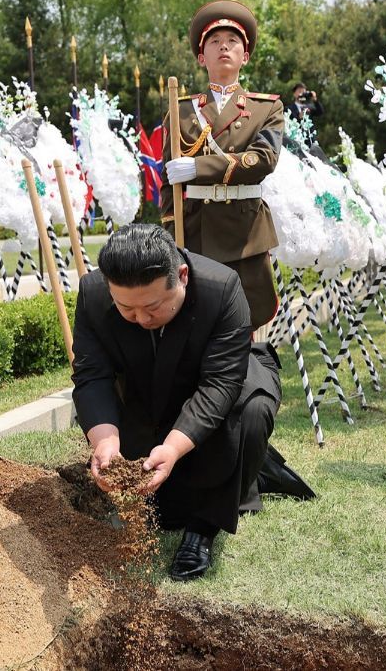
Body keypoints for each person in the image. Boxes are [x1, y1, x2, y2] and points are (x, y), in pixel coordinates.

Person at [72, 224, 314, 582]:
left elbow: (220, 384)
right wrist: (106, 441)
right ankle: (252, 470)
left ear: (182, 277)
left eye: (152, 307)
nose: (140, 319)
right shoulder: (93, 293)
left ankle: (203, 529)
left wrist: (171, 447)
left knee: (251, 410)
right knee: (166, 506)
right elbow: (91, 376)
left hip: (227, 380)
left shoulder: (222, 288)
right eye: (126, 309)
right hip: (148, 389)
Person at [159, 0, 284, 331]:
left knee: (249, 322)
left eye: (232, 41)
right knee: (200, 323)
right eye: (214, 42)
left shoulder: (266, 109)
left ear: (245, 56)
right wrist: (172, 234)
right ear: (202, 58)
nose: (224, 47)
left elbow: (264, 160)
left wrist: (199, 168)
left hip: (245, 232)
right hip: (197, 232)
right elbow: (166, 182)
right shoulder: (182, 110)